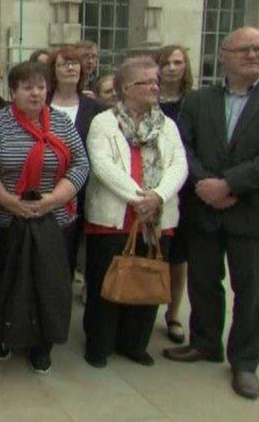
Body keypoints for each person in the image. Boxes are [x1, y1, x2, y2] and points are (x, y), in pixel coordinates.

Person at [164, 27, 259, 400]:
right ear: (224, 54)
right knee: (203, 281)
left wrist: (228, 184)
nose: (252, 54)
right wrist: (204, 184)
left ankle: (245, 362)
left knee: (252, 291)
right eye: (244, 49)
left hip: (257, 211)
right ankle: (205, 343)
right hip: (204, 209)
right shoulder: (198, 100)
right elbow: (183, 147)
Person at [0, 61, 89, 374]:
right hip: (9, 218)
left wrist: (53, 200)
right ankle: (2, 335)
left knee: (49, 286)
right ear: (12, 91)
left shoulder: (62, 123)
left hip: (54, 220)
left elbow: (80, 165)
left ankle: (42, 346)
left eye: (41, 86)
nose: (35, 92)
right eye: (27, 87)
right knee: (5, 284)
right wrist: (11, 202)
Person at [82, 56, 188, 368]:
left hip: (157, 220)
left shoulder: (166, 125)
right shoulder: (104, 122)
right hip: (114, 219)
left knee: (147, 283)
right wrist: (138, 198)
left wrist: (158, 196)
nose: (156, 86)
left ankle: (135, 343)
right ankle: (99, 344)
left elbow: (179, 163)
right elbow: (102, 165)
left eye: (156, 81)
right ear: (127, 88)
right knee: (106, 284)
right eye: (147, 82)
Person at [47, 46, 108, 274]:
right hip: (47, 184)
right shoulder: (41, 103)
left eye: (74, 63)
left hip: (84, 188)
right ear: (53, 71)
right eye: (64, 64)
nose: (70, 68)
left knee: (72, 251)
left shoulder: (97, 108)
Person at [154, 45, 194, 345]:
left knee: (178, 255)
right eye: (165, 62)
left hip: (185, 185)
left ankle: (174, 313)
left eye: (177, 62)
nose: (171, 67)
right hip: (147, 188)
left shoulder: (194, 102)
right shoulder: (148, 99)